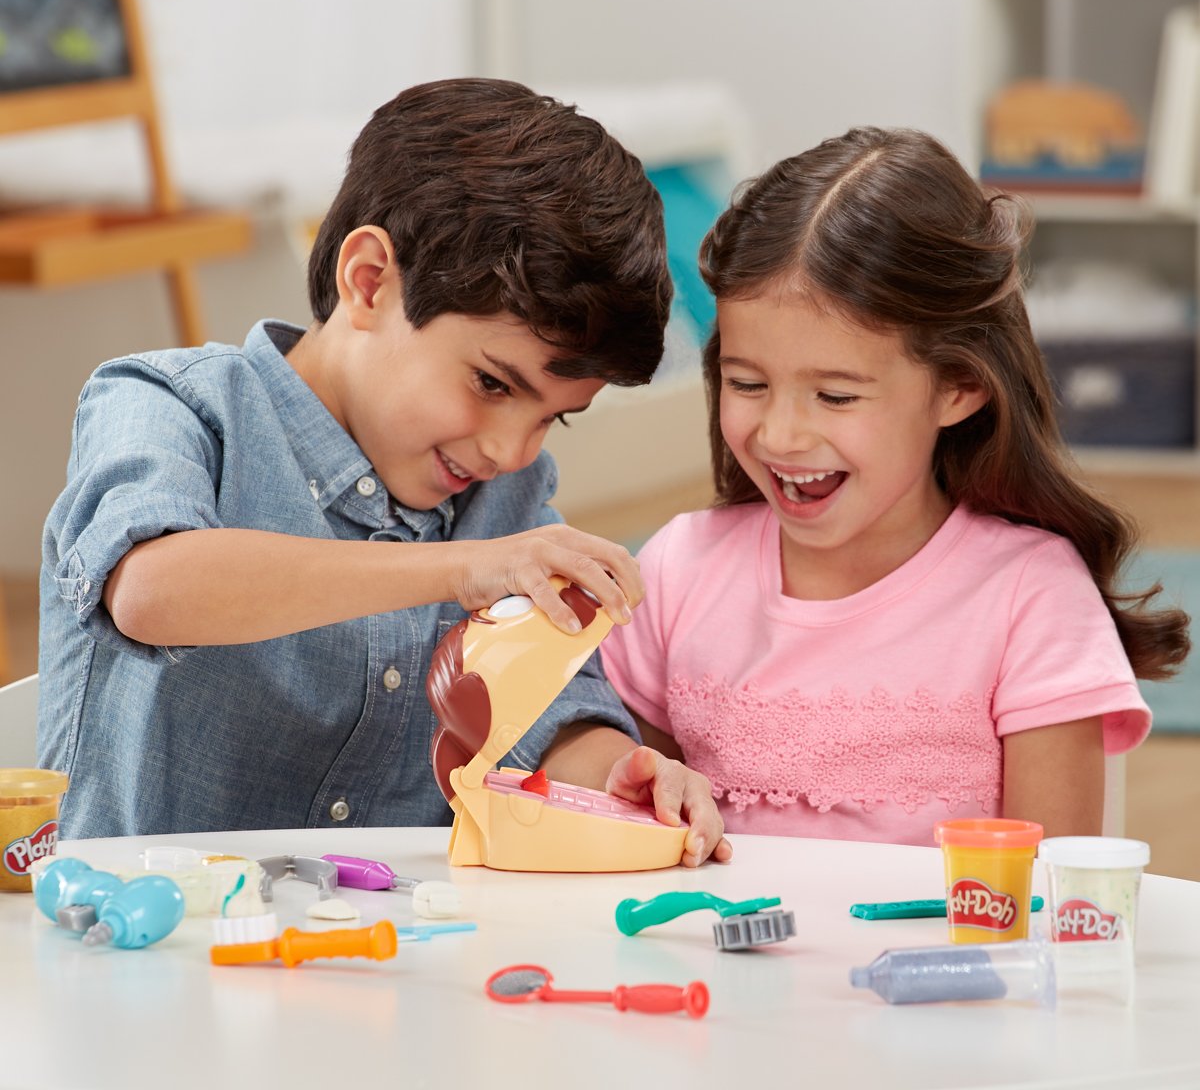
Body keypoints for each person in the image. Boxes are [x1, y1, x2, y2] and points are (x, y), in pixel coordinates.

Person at [38, 78, 730, 865]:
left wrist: (618, 772)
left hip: (401, 934)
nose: (511, 452)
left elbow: (555, 705)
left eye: (551, 418)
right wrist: (461, 568)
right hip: (144, 923)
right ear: (368, 280)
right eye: (492, 384)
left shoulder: (503, 497)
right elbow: (151, 590)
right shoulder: (169, 404)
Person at [601, 126, 1189, 846]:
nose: (780, 435)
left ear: (960, 386)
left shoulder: (1030, 597)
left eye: (836, 396)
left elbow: (1049, 887)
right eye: (747, 384)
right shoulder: (677, 569)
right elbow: (631, 822)